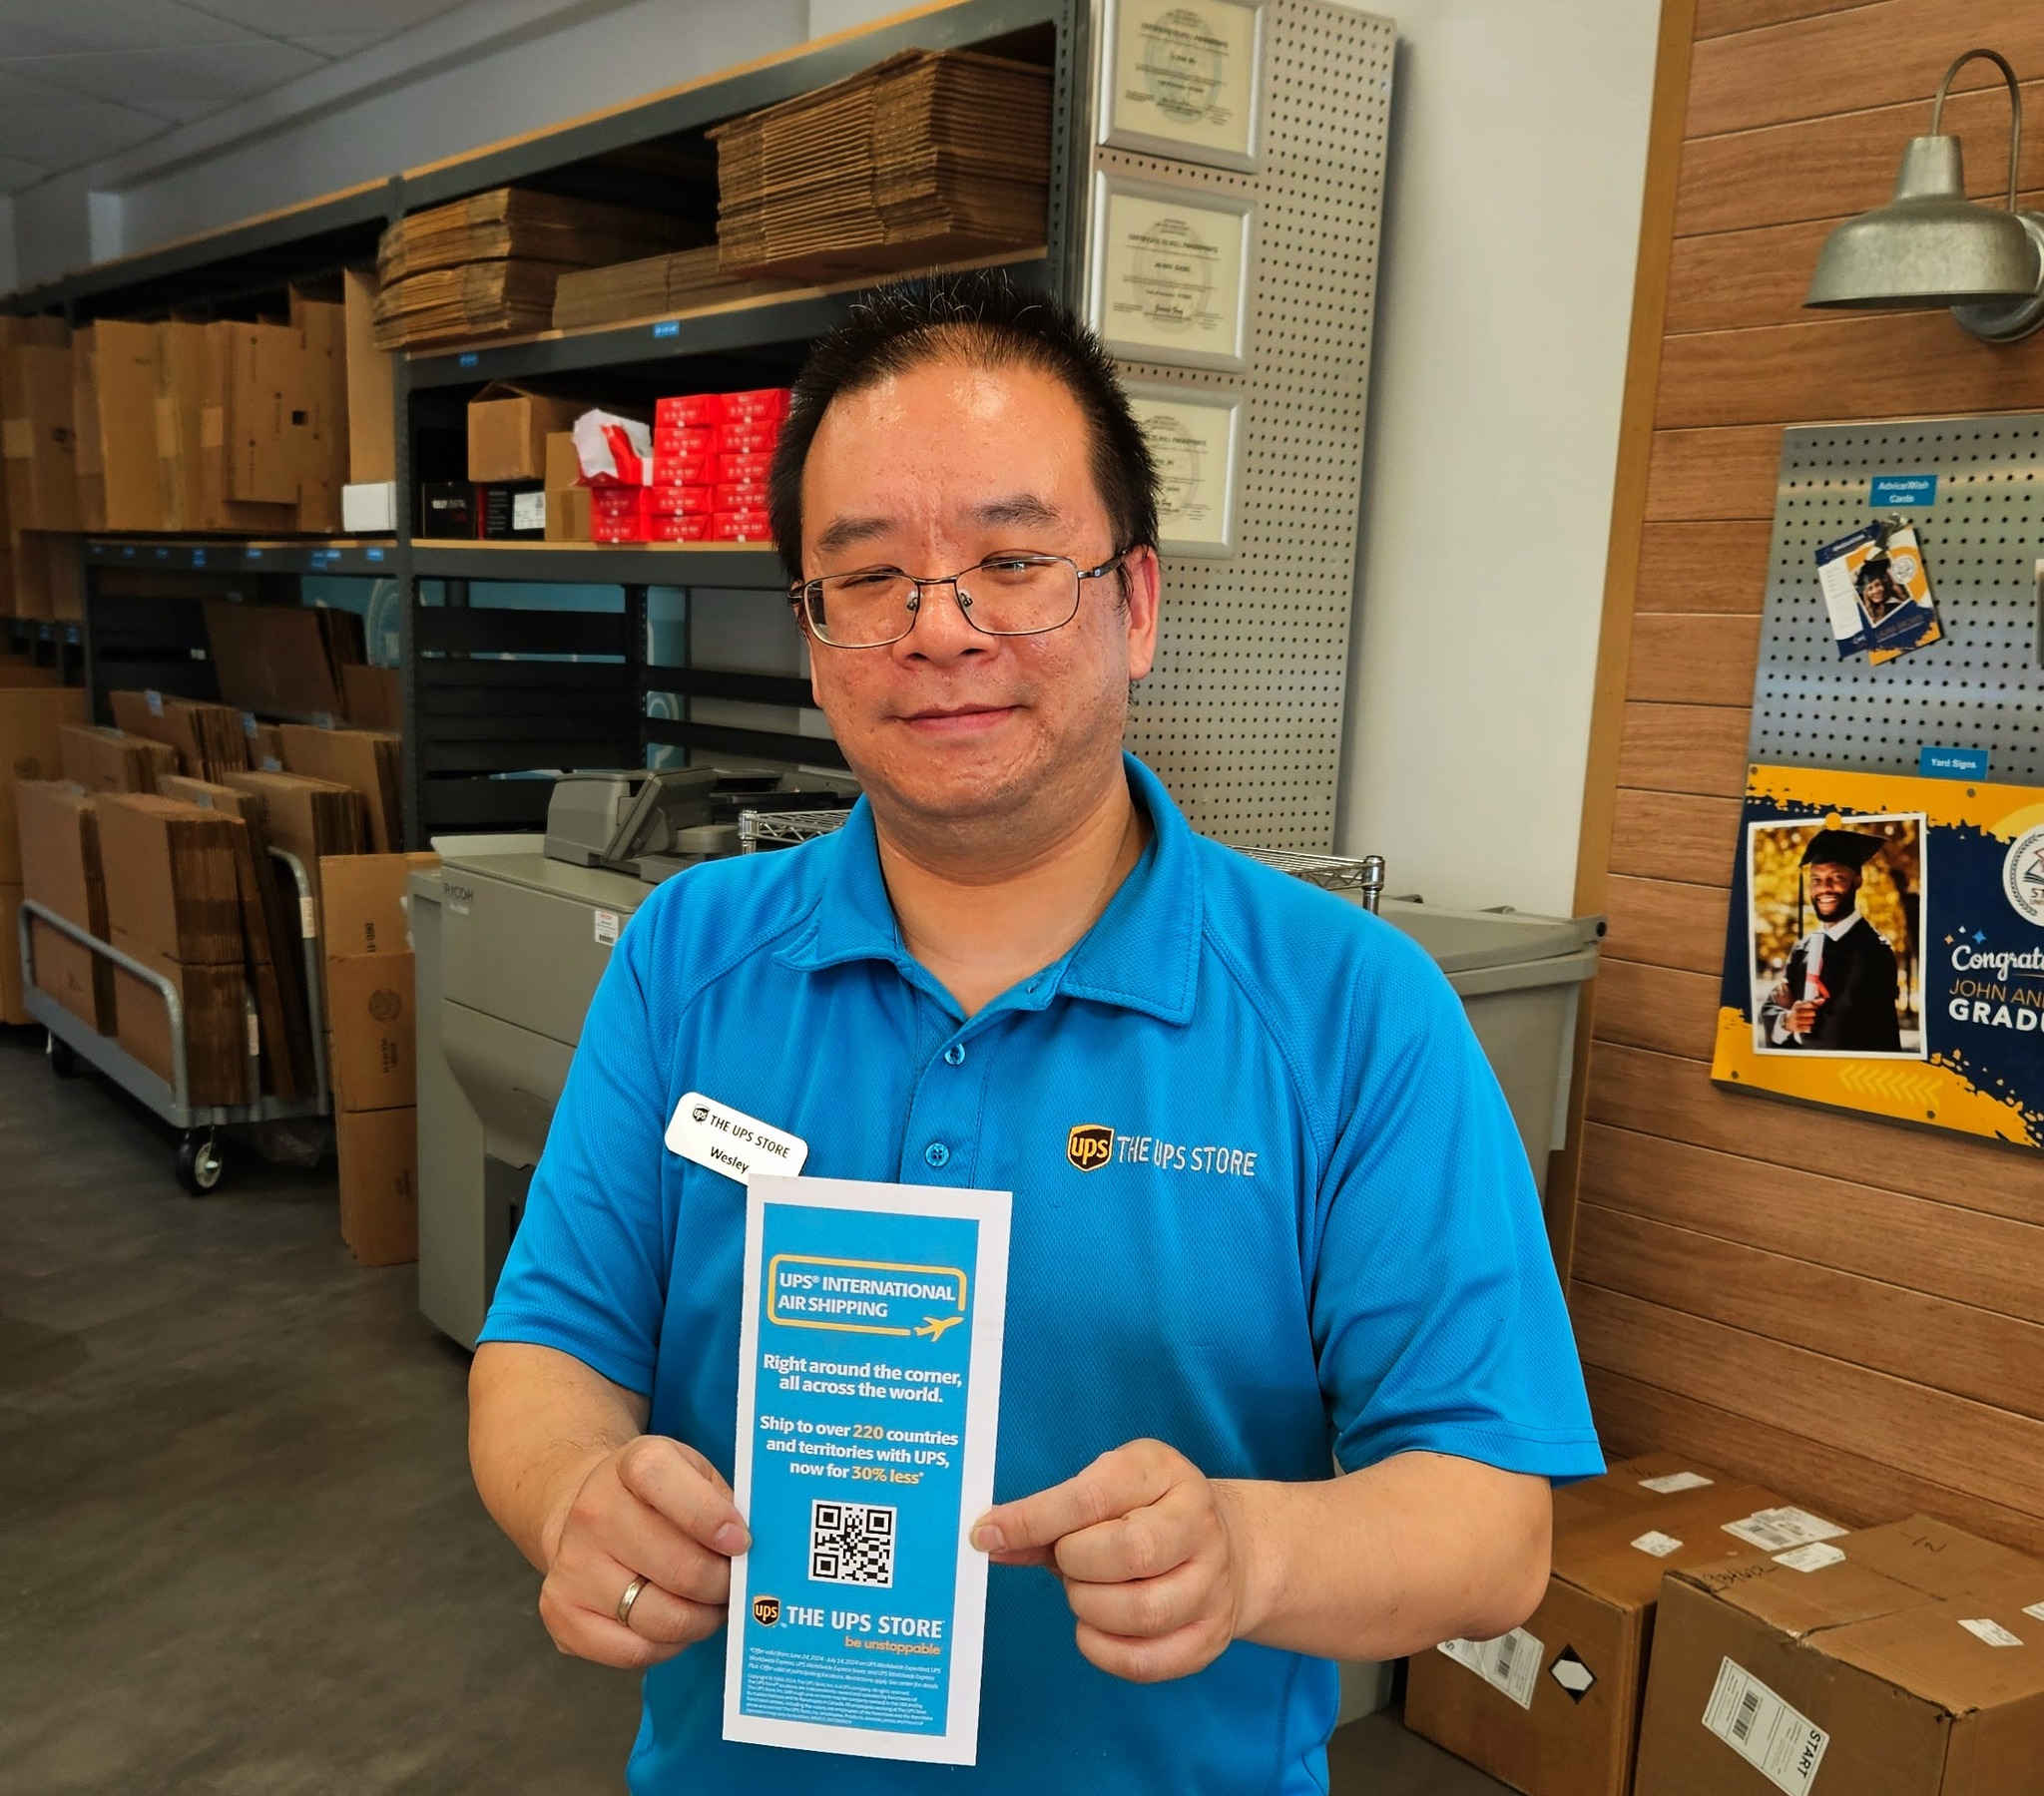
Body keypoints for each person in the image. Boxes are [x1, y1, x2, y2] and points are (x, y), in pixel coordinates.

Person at [467, 272, 1603, 1794]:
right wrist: (575, 1496)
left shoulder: (1354, 1012)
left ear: (1135, 605)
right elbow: (545, 1350)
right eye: (866, 579)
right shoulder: (689, 958)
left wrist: (1248, 1550)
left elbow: (1493, 1530)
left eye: (1013, 560)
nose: (939, 631)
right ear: (810, 631)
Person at [1763, 827, 1903, 1053]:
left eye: (1836, 878)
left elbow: (1845, 1028)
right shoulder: (1803, 947)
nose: (1824, 888)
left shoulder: (1874, 951)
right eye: (1816, 880)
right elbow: (1772, 1006)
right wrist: (1786, 1021)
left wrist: (1795, 1016)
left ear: (1857, 880)